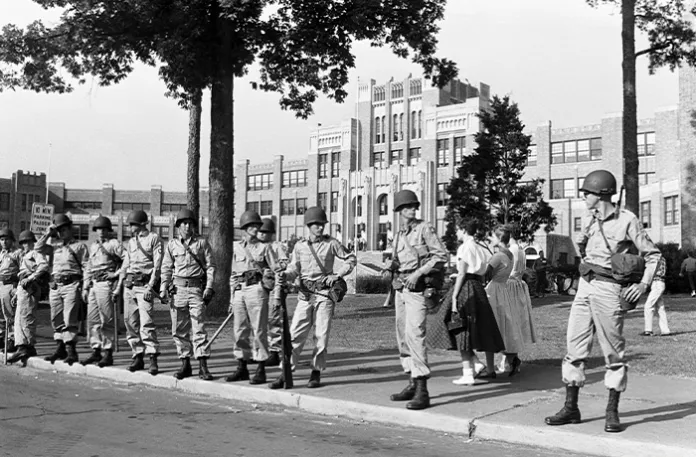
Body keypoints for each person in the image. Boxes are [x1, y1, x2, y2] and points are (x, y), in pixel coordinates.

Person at [544, 170, 660, 433]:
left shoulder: (627, 220)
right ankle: (571, 408)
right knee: (574, 348)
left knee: (613, 353)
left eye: (587, 192)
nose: (584, 196)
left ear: (602, 193)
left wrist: (643, 284)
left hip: (609, 290)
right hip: (585, 286)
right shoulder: (589, 218)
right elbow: (583, 247)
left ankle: (611, 412)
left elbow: (653, 255)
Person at [269, 207, 356, 389]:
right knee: (294, 335)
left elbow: (351, 258)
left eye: (321, 224)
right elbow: (294, 268)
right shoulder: (300, 246)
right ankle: (286, 372)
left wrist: (337, 275)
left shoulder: (331, 243)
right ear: (309, 226)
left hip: (324, 295)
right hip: (305, 295)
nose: (319, 227)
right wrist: (285, 275)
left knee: (321, 336)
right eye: (316, 224)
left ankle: (315, 372)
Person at [384, 190, 447, 410]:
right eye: (408, 206)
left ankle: (423, 390)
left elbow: (441, 255)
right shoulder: (399, 233)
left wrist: (418, 273)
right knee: (402, 336)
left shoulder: (424, 228)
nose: (412, 209)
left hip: (417, 290)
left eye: (414, 206)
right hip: (401, 289)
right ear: (400, 211)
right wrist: (391, 266)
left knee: (415, 334)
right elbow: (398, 259)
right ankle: (411, 380)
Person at [446, 219, 504, 386]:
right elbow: (484, 270)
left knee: (460, 328)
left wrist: (455, 295)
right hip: (478, 287)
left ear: (463, 230)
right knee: (470, 328)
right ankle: (476, 364)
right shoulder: (479, 248)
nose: (456, 233)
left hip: (467, 288)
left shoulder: (465, 247)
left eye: (458, 229)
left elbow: (463, 273)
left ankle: (468, 372)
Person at [161, 209, 216, 380]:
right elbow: (166, 268)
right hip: (177, 291)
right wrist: (164, 287)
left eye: (190, 223)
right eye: (184, 223)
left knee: (199, 327)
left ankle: (203, 365)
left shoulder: (201, 243)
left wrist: (209, 286)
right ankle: (185, 364)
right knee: (179, 328)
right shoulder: (171, 245)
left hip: (195, 290)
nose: (187, 226)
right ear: (178, 226)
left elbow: (210, 266)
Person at [226, 210, 275, 385]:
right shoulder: (236, 247)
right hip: (240, 290)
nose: (256, 228)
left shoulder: (264, 247)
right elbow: (233, 273)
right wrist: (232, 296)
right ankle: (242, 367)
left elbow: (275, 269)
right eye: (252, 226)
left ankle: (261, 369)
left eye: (257, 225)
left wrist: (266, 286)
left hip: (256, 289)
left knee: (259, 330)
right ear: (245, 228)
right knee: (239, 330)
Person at [36, 214, 89, 366]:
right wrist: (48, 232)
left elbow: (86, 267)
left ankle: (71, 350)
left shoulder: (79, 246)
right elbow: (38, 247)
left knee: (70, 318)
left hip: (71, 285)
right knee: (56, 318)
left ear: (70, 229)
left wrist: (84, 286)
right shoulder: (54, 247)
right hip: (55, 286)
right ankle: (60, 348)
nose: (61, 233)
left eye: (64, 229)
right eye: (59, 230)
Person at [120, 210, 163, 375]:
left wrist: (151, 286)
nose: (130, 227)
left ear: (141, 224)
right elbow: (126, 264)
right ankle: (137, 356)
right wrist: (119, 284)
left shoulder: (154, 239)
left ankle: (152, 358)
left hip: (144, 286)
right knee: (130, 322)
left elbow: (157, 266)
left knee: (147, 323)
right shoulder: (131, 242)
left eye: (132, 224)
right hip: (130, 286)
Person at [81, 216, 124, 368]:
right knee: (93, 320)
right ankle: (96, 349)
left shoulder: (114, 244)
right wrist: (86, 286)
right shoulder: (93, 246)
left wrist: (116, 274)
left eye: (104, 229)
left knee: (107, 319)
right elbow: (88, 267)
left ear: (108, 230)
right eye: (98, 229)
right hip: (94, 283)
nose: (101, 232)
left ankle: (108, 352)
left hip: (106, 284)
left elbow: (127, 260)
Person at [484, 226, 525, 378]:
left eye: (493, 237)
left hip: (494, 290)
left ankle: (490, 367)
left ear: (499, 239)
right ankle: (511, 358)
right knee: (504, 325)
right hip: (504, 289)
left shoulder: (498, 256)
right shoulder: (510, 255)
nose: (491, 240)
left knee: (491, 326)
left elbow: (486, 273)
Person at [6, 230, 49, 365]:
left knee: (26, 317)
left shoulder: (35, 253)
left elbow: (44, 266)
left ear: (33, 242)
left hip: (30, 286)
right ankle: (24, 345)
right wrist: (17, 294)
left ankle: (26, 346)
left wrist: (31, 278)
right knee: (19, 318)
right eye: (23, 242)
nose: (26, 245)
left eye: (28, 242)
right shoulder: (24, 255)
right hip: (23, 287)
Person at [502, 227, 536, 373]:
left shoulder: (511, 250)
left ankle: (510, 359)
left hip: (509, 286)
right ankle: (511, 359)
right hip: (518, 286)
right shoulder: (521, 249)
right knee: (514, 322)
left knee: (507, 323)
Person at [257, 217, 288, 368]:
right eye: (260, 232)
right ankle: (261, 350)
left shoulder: (277, 247)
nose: (262, 235)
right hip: (260, 287)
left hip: (275, 287)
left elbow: (282, 269)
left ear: (271, 233)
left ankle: (275, 352)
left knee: (273, 319)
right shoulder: (256, 247)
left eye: (265, 232)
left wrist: (277, 295)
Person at [0, 228, 22, 353]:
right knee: (1, 315)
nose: (4, 242)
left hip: (10, 286)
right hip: (1, 284)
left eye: (6, 239)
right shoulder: (1, 254)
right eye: (2, 240)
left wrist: (17, 289)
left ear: (12, 241)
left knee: (10, 314)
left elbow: (23, 271)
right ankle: (2, 337)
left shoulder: (17, 253)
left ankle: (12, 339)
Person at [642, 255, 671, 337]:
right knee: (660, 307)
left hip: (656, 283)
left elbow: (651, 271)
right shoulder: (662, 258)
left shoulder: (654, 258)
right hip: (661, 282)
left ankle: (648, 330)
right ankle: (665, 330)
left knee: (648, 305)